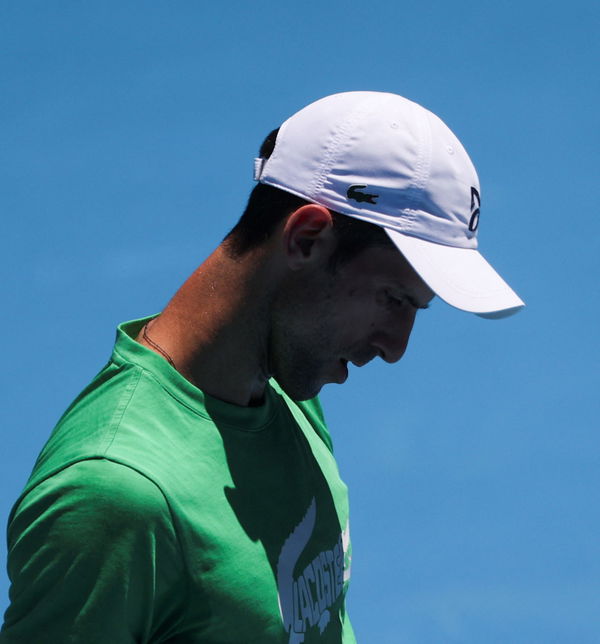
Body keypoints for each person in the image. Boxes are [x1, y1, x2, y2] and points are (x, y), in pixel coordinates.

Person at [0, 91, 524, 643]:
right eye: (394, 299)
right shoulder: (117, 496)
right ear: (306, 238)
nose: (396, 347)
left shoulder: (288, 393)